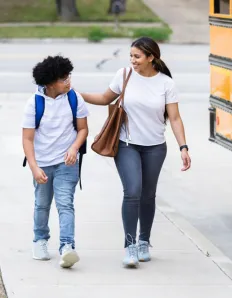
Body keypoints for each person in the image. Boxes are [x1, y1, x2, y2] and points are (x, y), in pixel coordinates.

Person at [81, 37, 191, 268]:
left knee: (148, 195)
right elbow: (104, 98)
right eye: (131, 56)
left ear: (151, 57)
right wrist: (76, 94)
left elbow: (174, 118)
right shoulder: (124, 75)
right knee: (132, 191)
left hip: (155, 147)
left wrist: (183, 147)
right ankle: (129, 245)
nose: (133, 60)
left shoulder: (166, 84)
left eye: (137, 56)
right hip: (127, 144)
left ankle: (144, 241)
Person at [22, 55, 89, 268]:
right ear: (50, 82)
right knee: (42, 205)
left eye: (68, 76)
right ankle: (40, 240)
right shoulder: (34, 103)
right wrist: (34, 167)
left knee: (65, 203)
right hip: (41, 163)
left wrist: (74, 148)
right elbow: (27, 138)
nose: (68, 81)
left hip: (67, 163)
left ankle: (67, 246)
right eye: (63, 79)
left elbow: (83, 129)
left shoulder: (74, 98)